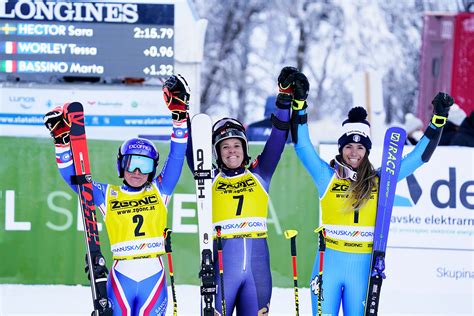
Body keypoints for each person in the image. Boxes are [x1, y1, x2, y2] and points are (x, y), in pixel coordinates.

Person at [291, 72, 453, 316]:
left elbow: (419, 157)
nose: (353, 153)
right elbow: (302, 147)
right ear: (341, 148)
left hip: (363, 267)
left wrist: (438, 120)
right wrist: (300, 104)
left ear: (366, 151)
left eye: (359, 147)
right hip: (329, 263)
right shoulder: (327, 177)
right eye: (348, 146)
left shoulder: (381, 180)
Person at [43, 74, 190, 316]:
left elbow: (177, 154)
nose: (137, 171)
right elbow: (73, 178)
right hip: (121, 277)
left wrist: (179, 115)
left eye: (144, 165)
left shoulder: (160, 189)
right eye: (132, 163)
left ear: (153, 169)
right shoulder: (106, 196)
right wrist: (61, 142)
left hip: (154, 278)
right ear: (121, 166)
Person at [186, 67, 298, 315]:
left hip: (257, 269)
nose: (232, 151)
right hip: (223, 265)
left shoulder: (260, 173)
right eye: (224, 147)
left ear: (245, 148)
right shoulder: (209, 177)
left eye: (237, 145)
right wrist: (182, 114)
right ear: (216, 153)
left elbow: (278, 137)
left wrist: (283, 100)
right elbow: (191, 150)